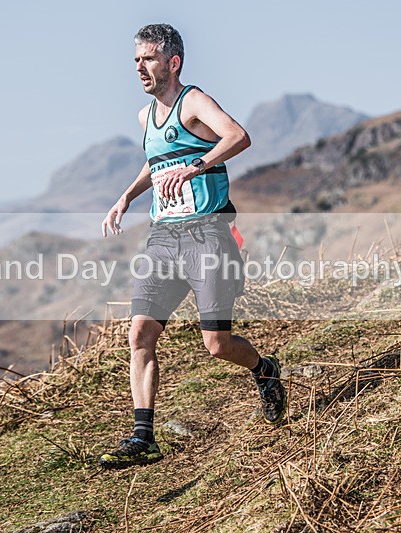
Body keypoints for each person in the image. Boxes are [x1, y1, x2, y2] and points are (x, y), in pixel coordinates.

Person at [98, 23, 285, 470]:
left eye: (148, 59)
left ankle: (264, 369)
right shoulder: (145, 118)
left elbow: (238, 136)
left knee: (216, 345)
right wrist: (128, 195)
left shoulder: (194, 102)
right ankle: (144, 436)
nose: (140, 68)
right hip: (164, 237)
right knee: (140, 333)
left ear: (172, 62)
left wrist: (198, 166)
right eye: (136, 60)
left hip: (207, 235)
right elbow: (157, 159)